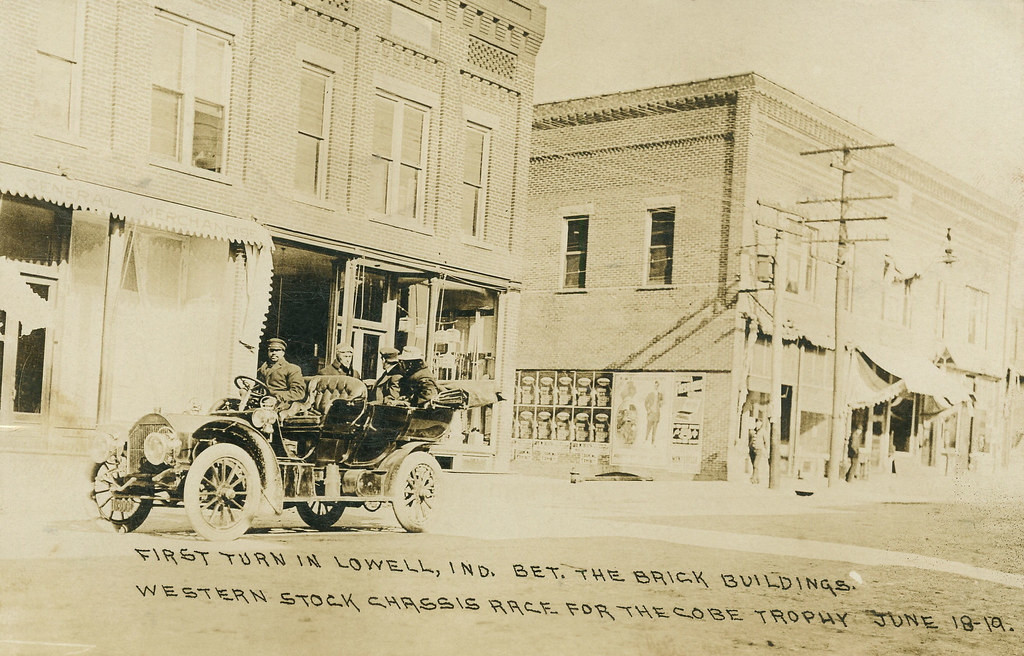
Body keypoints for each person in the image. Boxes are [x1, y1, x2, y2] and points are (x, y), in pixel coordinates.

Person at [257, 338, 305, 407]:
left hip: (281, 403)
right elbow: (258, 385)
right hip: (263, 401)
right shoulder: (263, 368)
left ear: (283, 353)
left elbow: (298, 393)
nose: (273, 353)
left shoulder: (292, 368)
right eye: (271, 350)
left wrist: (276, 398)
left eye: (277, 350)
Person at [748, 416, 768, 484]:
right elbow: (750, 440)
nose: (757, 424)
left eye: (759, 423)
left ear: (761, 423)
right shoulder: (753, 431)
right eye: (756, 422)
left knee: (756, 465)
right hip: (752, 449)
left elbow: (766, 441)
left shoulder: (763, 431)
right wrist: (749, 447)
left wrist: (766, 450)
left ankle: (753, 478)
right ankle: (757, 478)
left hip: (759, 449)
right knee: (754, 465)